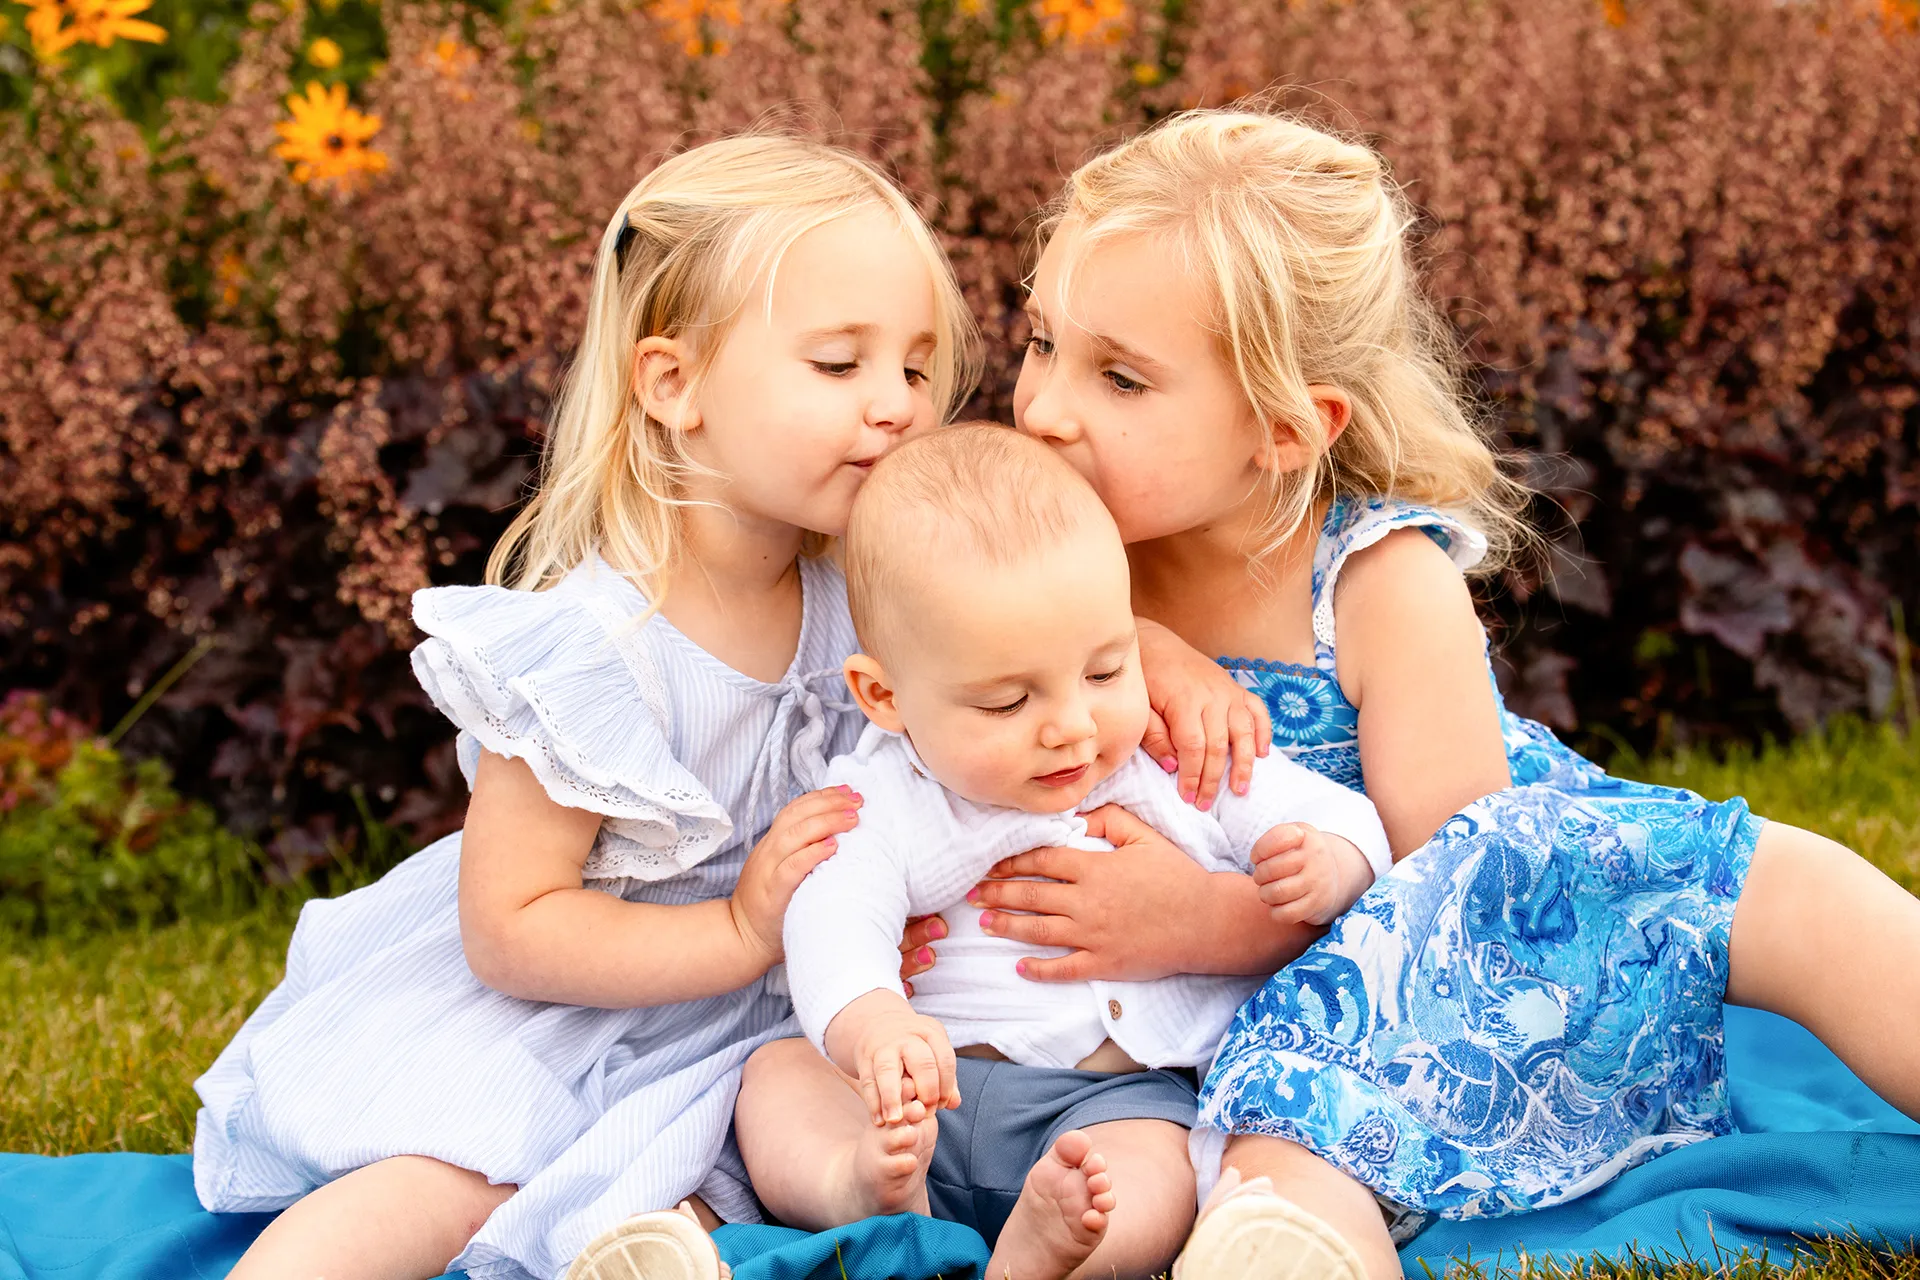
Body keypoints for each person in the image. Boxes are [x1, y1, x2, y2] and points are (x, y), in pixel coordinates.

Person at [964, 106, 1920, 1278]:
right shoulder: (1043, 540)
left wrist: (1205, 924)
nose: (1047, 404)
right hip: (1265, 1020)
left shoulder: (1374, 579)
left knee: (1802, 896)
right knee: (1278, 1140)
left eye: (1119, 377)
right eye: (1041, 340)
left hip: (1490, 920)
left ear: (1281, 430)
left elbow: (1457, 895)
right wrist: (1143, 642)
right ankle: (1283, 1247)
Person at [190, 133, 979, 1280]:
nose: (895, 404)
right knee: (455, 1176)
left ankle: (649, 1249)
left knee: (746, 1149)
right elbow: (510, 924)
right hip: (564, 1012)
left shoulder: (868, 609)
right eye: (838, 364)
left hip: (750, 1026)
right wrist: (735, 931)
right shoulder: (595, 649)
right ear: (675, 385)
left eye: (914, 368)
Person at [734, 425, 1390, 1280]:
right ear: (886, 695)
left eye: (1106, 670)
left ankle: (1043, 1259)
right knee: (777, 1080)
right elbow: (832, 917)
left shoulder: (1162, 753)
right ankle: (857, 1188)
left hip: (1103, 1101)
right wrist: (875, 1028)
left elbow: (1333, 813)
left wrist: (1326, 858)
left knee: (1155, 1171)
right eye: (1008, 702)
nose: (1072, 727)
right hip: (912, 1103)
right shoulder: (884, 796)